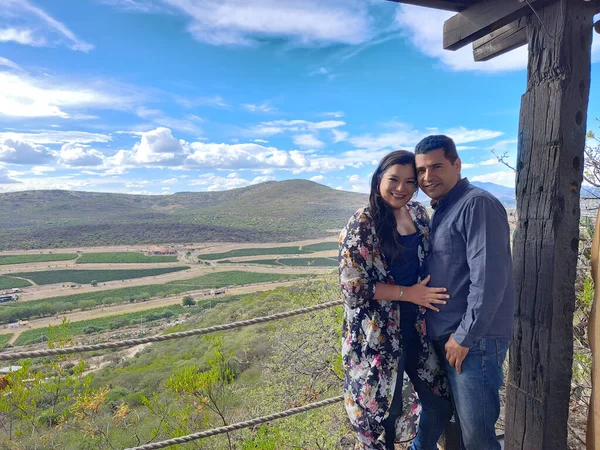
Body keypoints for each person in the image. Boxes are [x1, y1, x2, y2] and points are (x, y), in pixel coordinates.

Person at [339, 150, 453, 450]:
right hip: (377, 337)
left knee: (440, 403)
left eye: (409, 181)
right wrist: (408, 294)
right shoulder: (361, 223)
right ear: (378, 179)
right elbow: (353, 289)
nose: (400, 188)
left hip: (416, 329)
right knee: (381, 419)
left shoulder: (417, 214)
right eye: (393, 179)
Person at [414, 135, 515, 450]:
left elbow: (489, 279)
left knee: (477, 439)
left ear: (457, 165)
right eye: (421, 170)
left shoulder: (476, 204)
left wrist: (464, 337)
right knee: (463, 432)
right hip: (454, 340)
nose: (428, 177)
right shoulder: (445, 208)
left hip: (474, 343)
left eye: (437, 167)